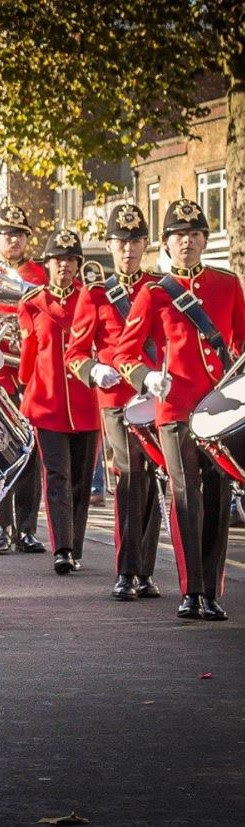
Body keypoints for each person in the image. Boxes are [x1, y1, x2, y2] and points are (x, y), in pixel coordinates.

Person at [113, 197, 245, 621]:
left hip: (220, 410)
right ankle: (192, 591)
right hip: (174, 409)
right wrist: (146, 379)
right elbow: (126, 354)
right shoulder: (154, 293)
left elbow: (241, 344)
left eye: (193, 234)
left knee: (219, 497)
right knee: (186, 495)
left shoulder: (227, 285)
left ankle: (213, 589)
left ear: (205, 239)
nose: (186, 242)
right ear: (166, 244)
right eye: (178, 235)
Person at [67, 204, 162, 600]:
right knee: (128, 477)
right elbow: (75, 352)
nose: (128, 250)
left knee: (153, 480)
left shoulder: (159, 288)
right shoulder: (96, 294)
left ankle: (145, 570)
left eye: (135, 242)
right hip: (116, 398)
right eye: (121, 243)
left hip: (155, 396)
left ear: (145, 245)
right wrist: (93, 370)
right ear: (109, 245)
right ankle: (126, 570)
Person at [18, 229, 99, 576]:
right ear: (47, 264)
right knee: (57, 476)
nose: (63, 265)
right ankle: (62, 548)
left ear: (78, 264)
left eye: (69, 260)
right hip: (47, 402)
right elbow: (28, 356)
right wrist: (24, 385)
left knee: (81, 480)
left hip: (86, 403)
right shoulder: (32, 303)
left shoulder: (93, 299)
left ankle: (74, 544)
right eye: (57, 260)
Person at [0, 204, 49, 555]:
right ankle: (2, 526)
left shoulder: (40, 275)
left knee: (29, 453)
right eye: (6, 234)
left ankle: (26, 528)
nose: (13, 240)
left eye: (19, 234)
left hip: (30, 374)